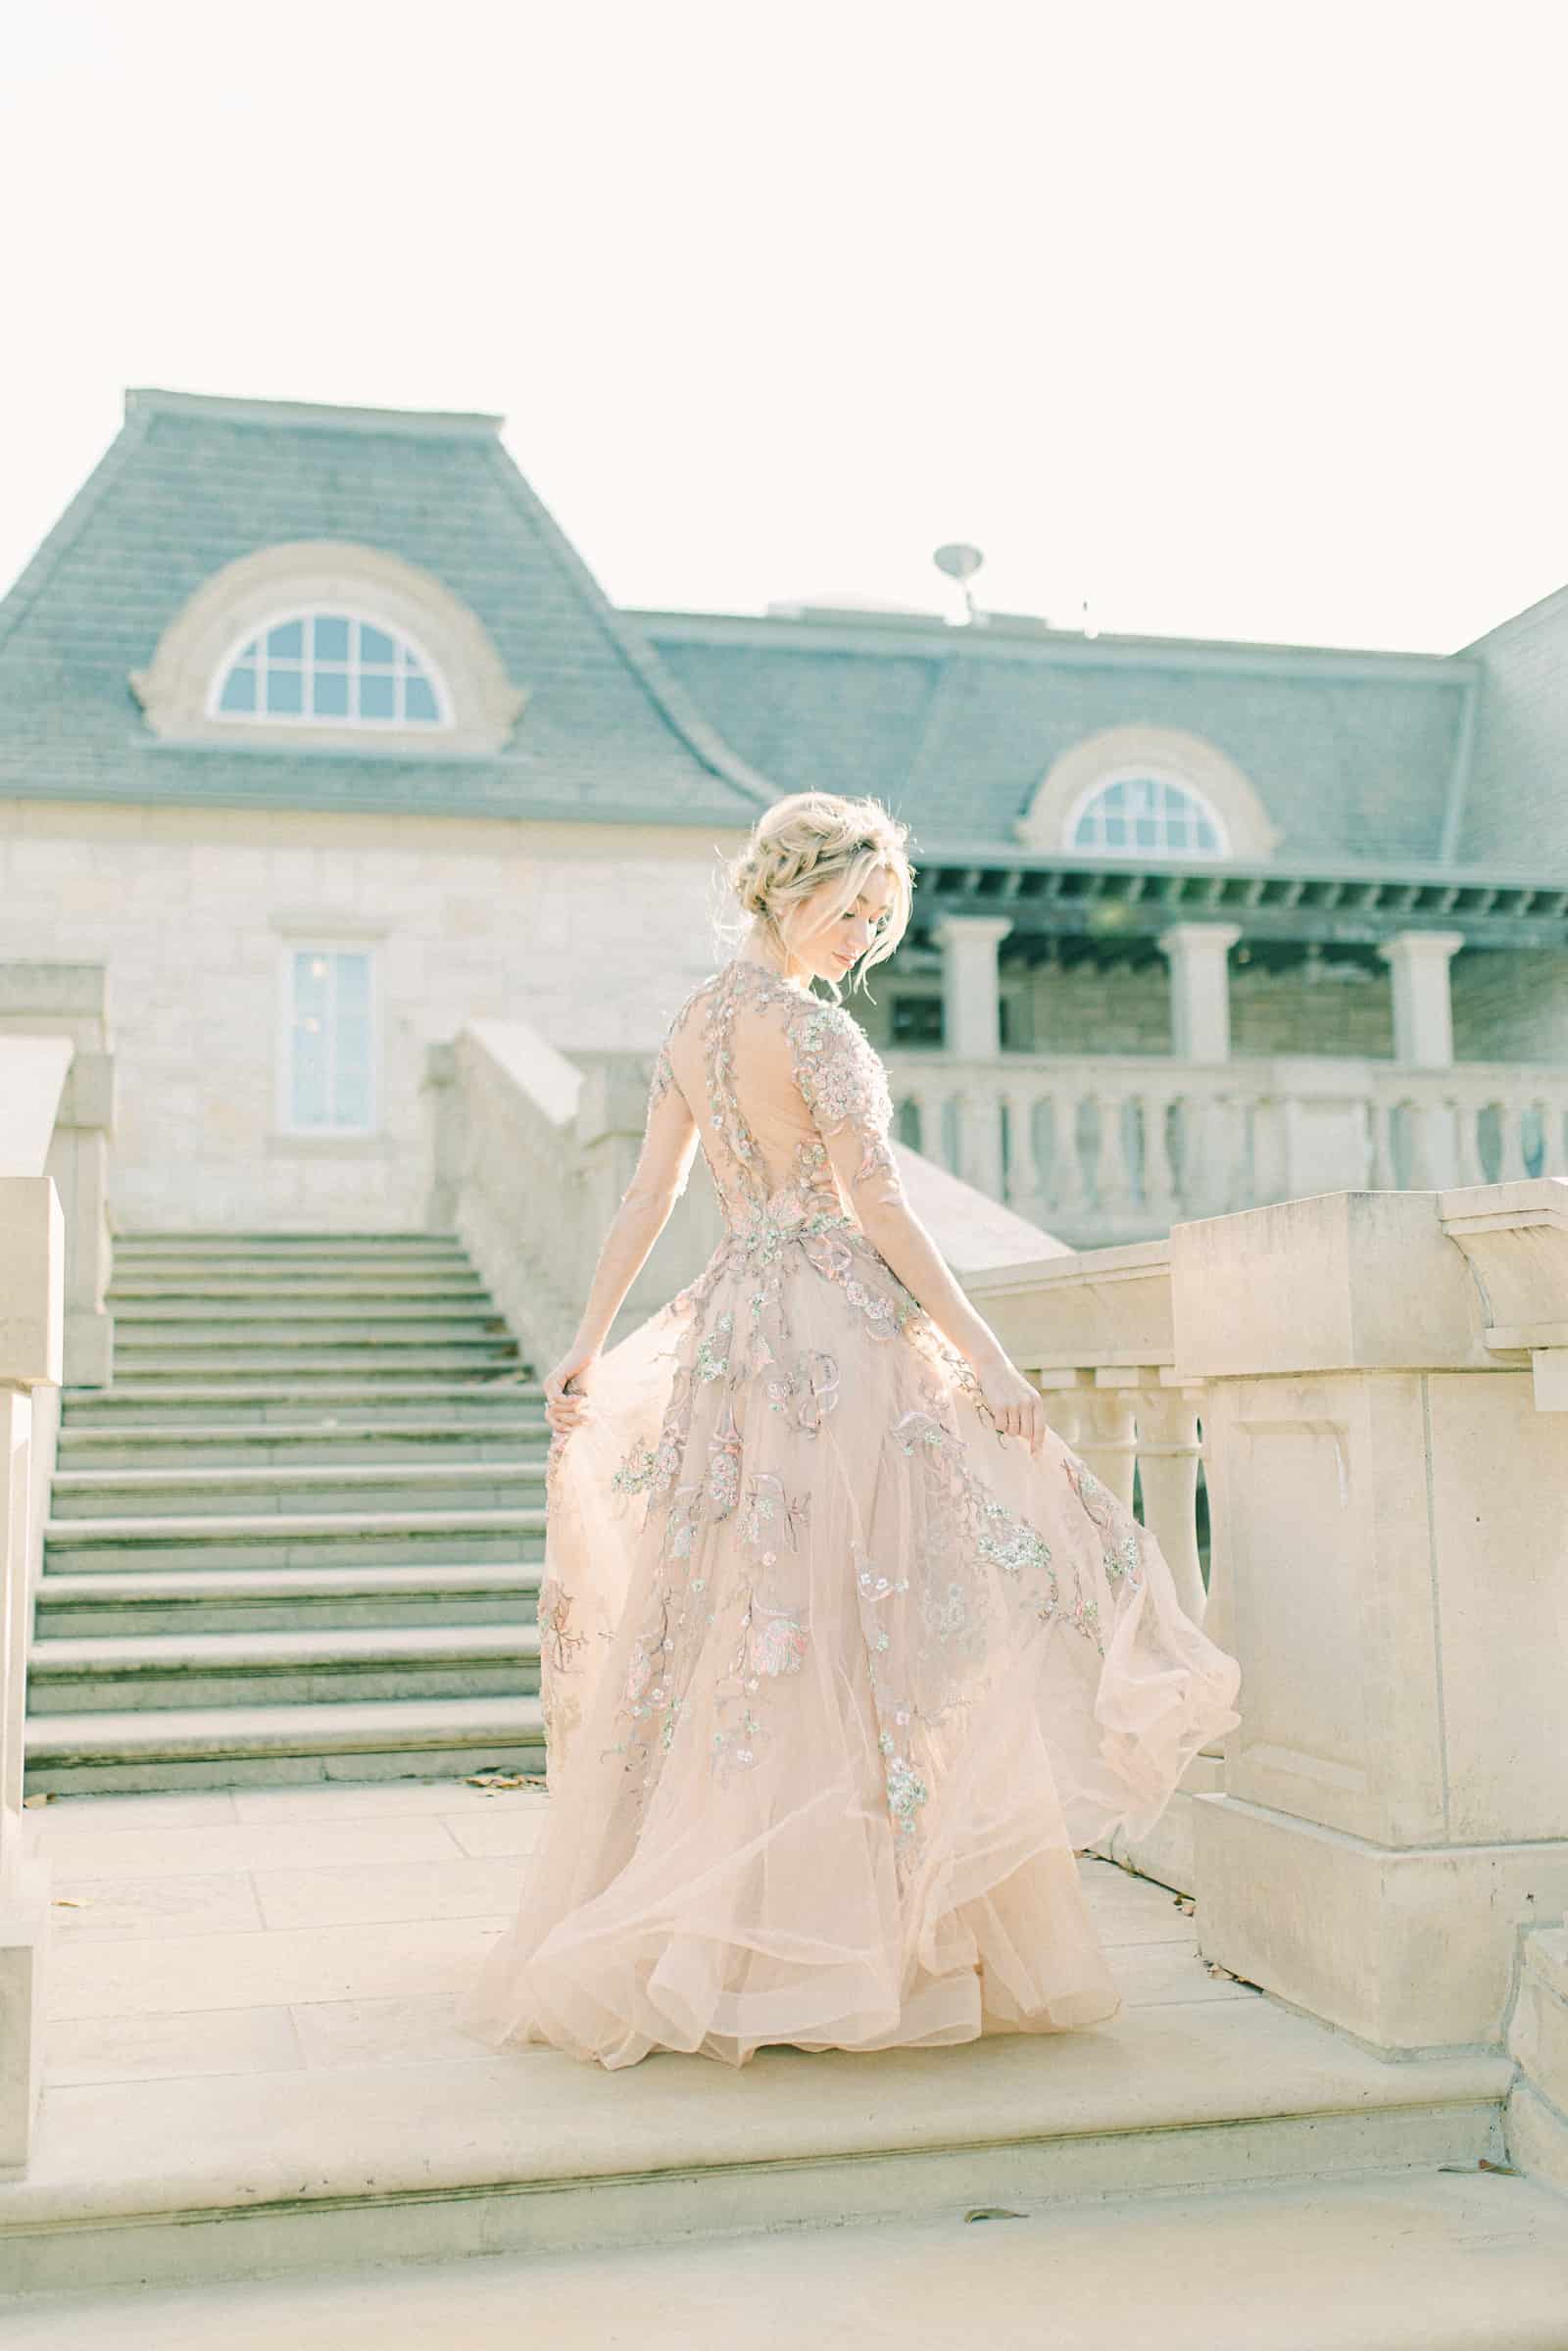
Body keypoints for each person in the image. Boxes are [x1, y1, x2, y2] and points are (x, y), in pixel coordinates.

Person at [456, 791, 1240, 2070]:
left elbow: (650, 1197)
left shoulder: (694, 1025)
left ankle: (746, 1927)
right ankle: (843, 1938)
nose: (864, 936)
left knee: (749, 1627)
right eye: (851, 907)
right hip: (836, 1337)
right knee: (867, 1623)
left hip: (737, 1333)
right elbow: (880, 1203)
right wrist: (986, 1354)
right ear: (786, 889)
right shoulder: (817, 1039)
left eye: (880, 918)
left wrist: (589, 1340)